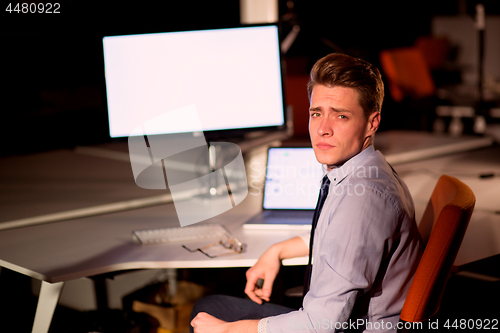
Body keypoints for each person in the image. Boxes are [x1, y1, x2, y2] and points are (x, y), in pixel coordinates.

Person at [190, 53, 423, 332]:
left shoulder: (362, 200)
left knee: (209, 314)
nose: (323, 129)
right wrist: (278, 250)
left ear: (372, 123)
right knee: (212, 307)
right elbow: (343, 239)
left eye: (341, 116)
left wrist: (226, 331)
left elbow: (320, 324)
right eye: (316, 113)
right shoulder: (366, 169)